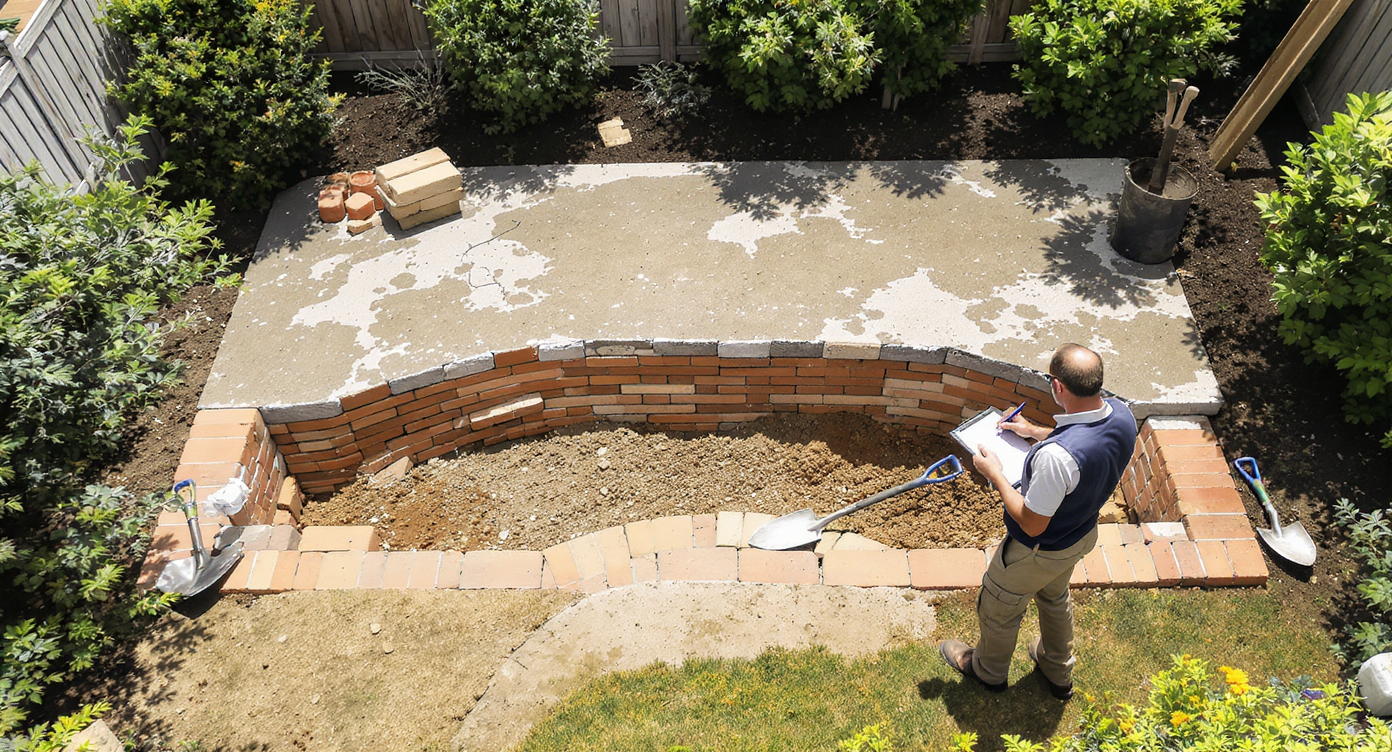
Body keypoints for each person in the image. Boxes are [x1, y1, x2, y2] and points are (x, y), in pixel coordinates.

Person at [938, 343, 1137, 700]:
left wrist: (995, 473)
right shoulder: (1122, 415)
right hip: (1079, 537)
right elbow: (1085, 440)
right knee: (1054, 597)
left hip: (1037, 551)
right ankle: (1057, 669)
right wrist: (1033, 431)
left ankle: (988, 670)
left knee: (998, 607)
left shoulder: (1057, 460)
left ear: (1057, 386)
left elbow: (1032, 524)